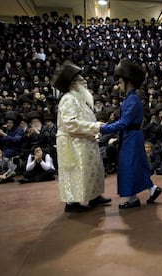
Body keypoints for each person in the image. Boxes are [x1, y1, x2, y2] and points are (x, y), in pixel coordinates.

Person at [100, 59, 162, 209]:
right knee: (134, 166)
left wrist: (103, 128)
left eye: (121, 83)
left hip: (131, 137)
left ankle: (138, 196)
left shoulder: (132, 100)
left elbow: (123, 123)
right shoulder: (130, 99)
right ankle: (147, 192)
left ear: (128, 83)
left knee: (130, 166)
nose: (118, 86)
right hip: (130, 136)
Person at [53, 61, 111, 213]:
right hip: (72, 143)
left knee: (93, 170)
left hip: (85, 140)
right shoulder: (68, 99)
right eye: (81, 79)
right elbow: (70, 124)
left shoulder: (79, 98)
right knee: (75, 172)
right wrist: (95, 127)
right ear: (72, 83)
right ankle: (71, 204)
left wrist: (93, 130)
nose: (85, 81)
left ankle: (94, 197)